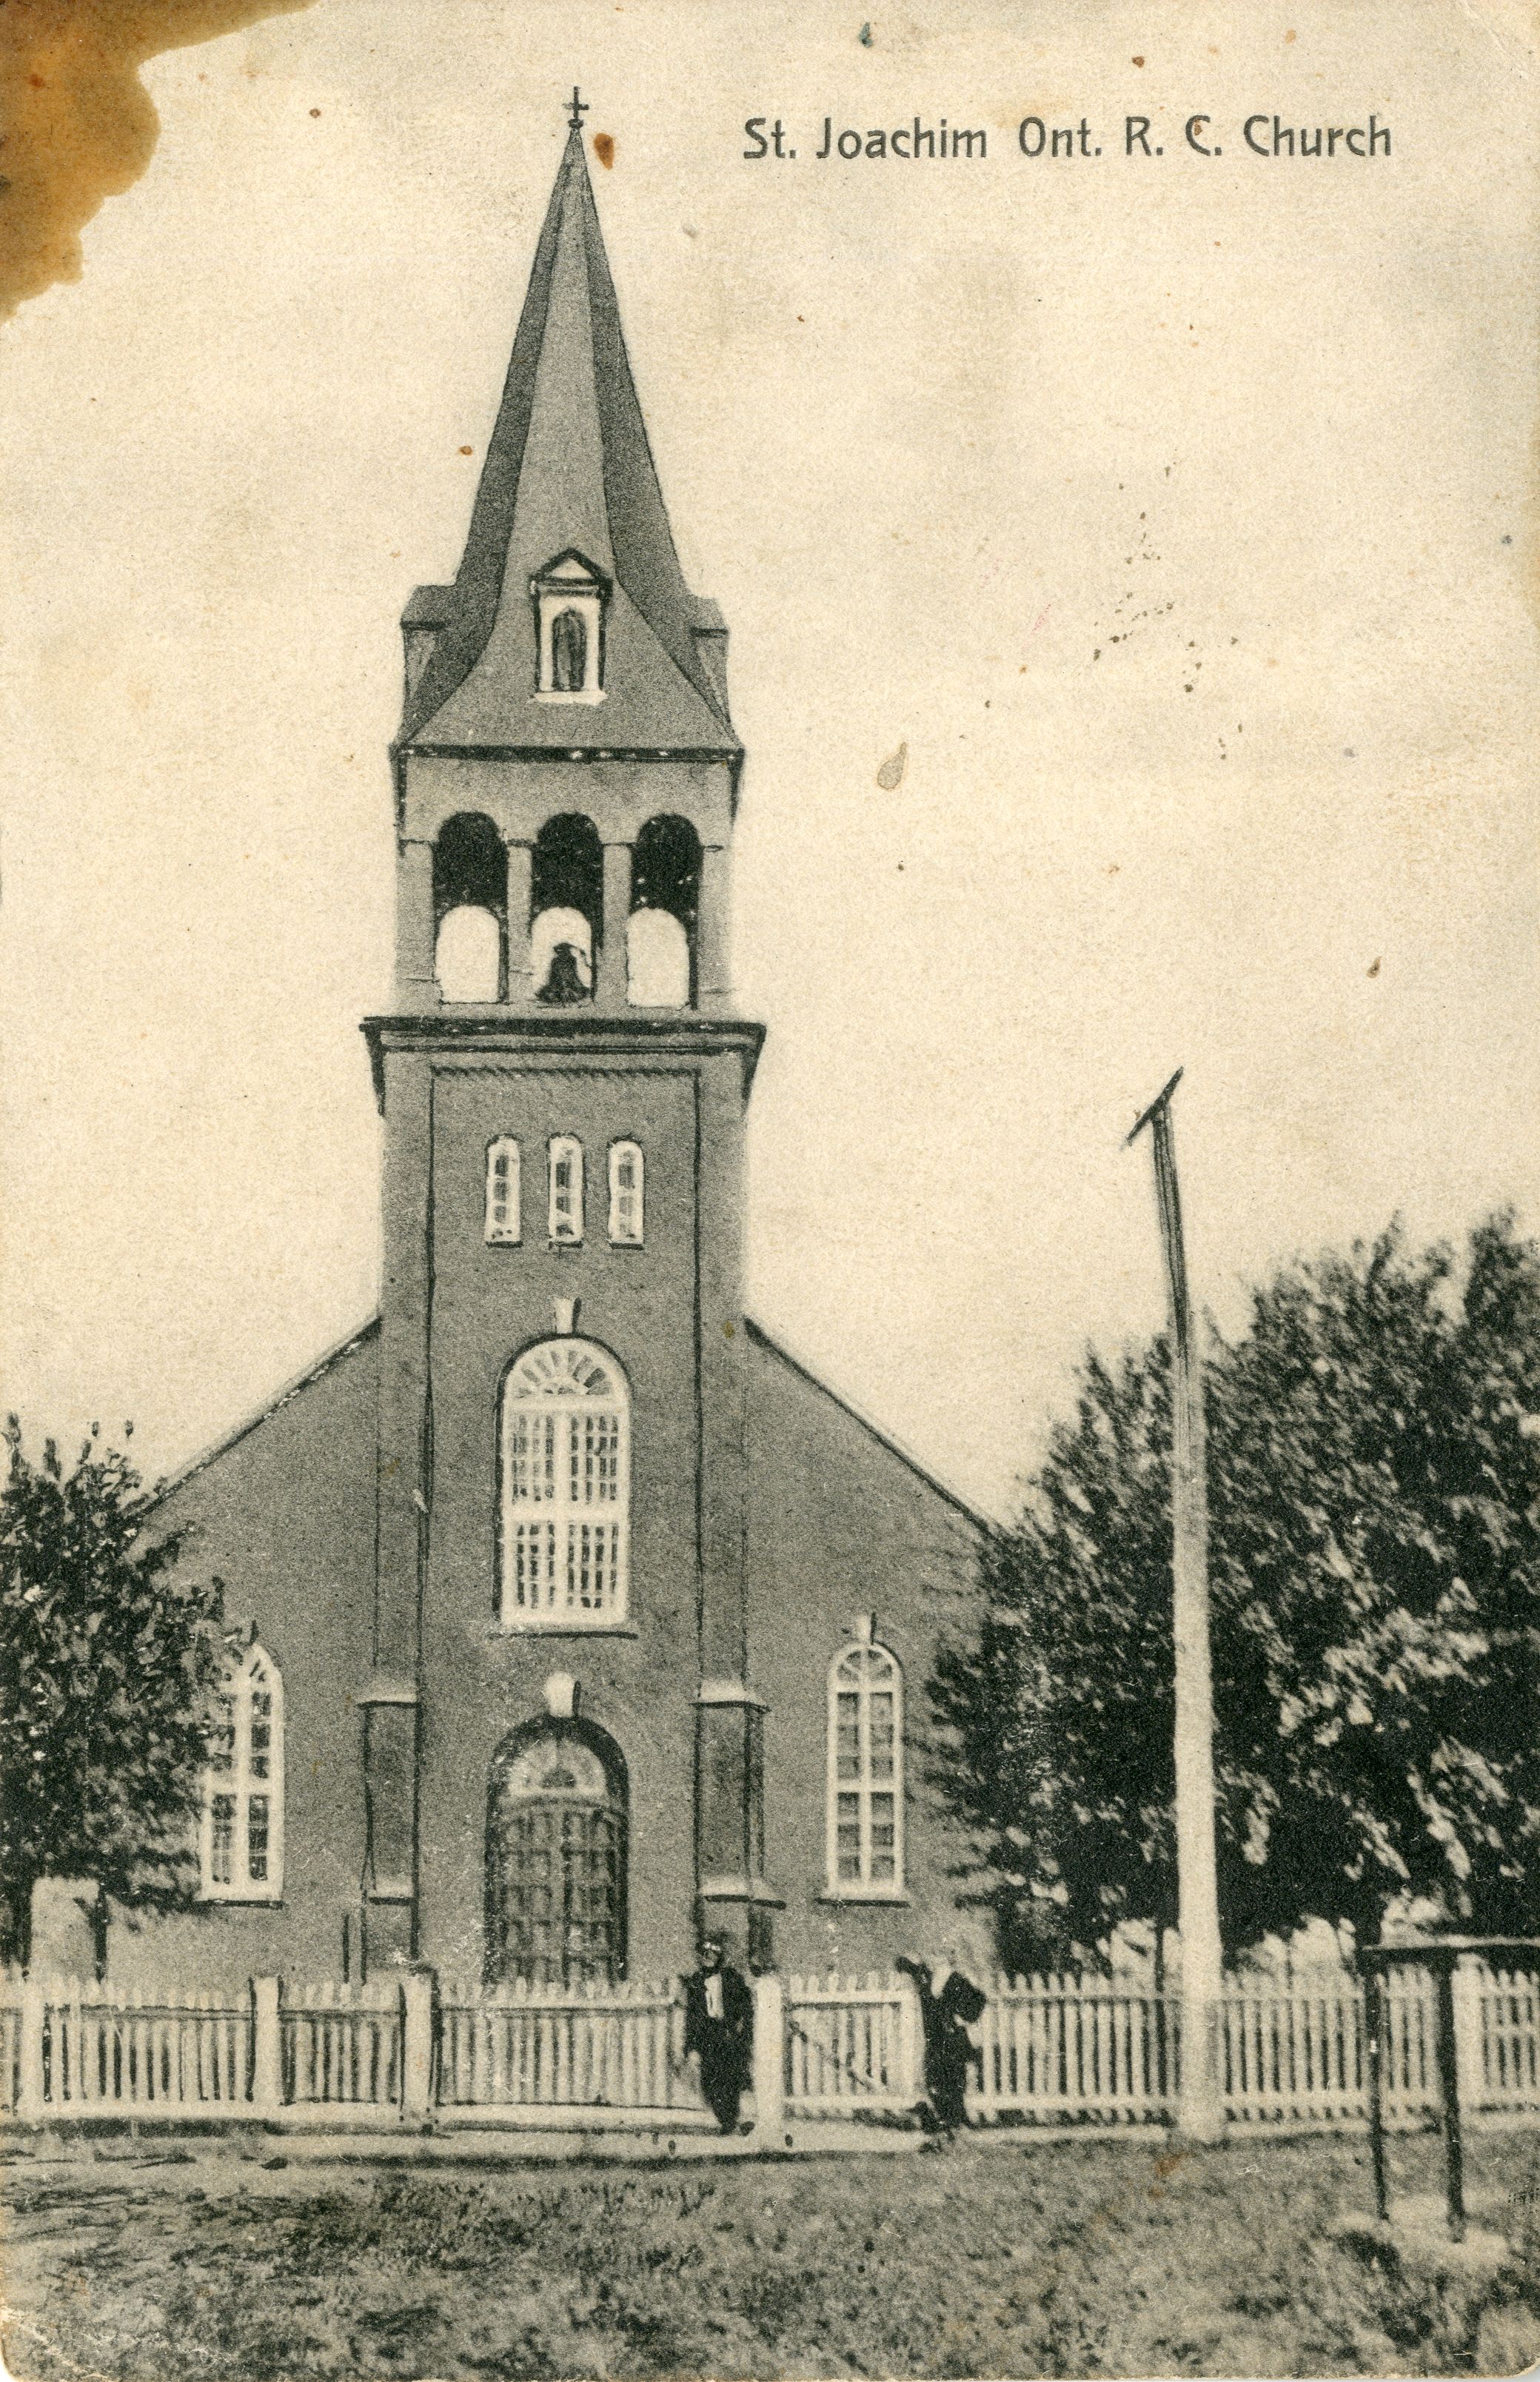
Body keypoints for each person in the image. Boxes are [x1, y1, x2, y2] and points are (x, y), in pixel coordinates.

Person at [897, 1942, 985, 2138]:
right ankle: (947, 2120)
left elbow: (978, 2000)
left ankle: (956, 2121)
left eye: (938, 1955)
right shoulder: (929, 1978)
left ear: (948, 1959)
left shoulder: (956, 1979)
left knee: (953, 2079)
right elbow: (912, 1967)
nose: (934, 1959)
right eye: (933, 1954)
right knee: (935, 2078)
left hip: (953, 2038)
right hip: (936, 2039)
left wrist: (962, 2018)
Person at [683, 1934, 754, 2133]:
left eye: (712, 1954)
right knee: (710, 2081)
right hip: (708, 2036)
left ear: (719, 1957)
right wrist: (691, 2046)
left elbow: (746, 2008)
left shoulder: (732, 1979)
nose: (708, 1958)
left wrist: (743, 2034)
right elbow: (692, 2017)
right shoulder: (696, 1981)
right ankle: (724, 2117)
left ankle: (731, 2119)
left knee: (731, 2080)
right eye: (704, 1954)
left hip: (729, 2034)